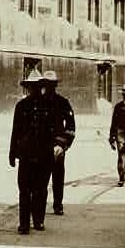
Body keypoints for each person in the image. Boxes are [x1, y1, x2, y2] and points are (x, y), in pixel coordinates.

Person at [8, 68, 55, 234]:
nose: (34, 90)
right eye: (31, 87)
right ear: (28, 88)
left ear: (41, 86)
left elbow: (55, 130)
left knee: (41, 189)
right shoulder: (21, 106)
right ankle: (24, 224)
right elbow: (16, 131)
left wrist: (55, 147)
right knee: (24, 189)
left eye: (36, 86)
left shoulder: (49, 106)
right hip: (26, 154)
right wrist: (12, 153)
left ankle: (38, 220)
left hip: (44, 154)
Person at [40, 70, 76, 216]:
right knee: (41, 178)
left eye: (51, 84)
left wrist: (62, 145)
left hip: (57, 146)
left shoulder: (62, 102)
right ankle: (39, 206)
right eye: (46, 84)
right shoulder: (38, 102)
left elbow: (71, 125)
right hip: (41, 146)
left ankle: (57, 204)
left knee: (58, 177)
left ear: (55, 85)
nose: (49, 87)